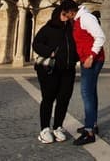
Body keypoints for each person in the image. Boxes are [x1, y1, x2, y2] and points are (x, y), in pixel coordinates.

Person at [32, 8, 79, 144]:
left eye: (68, 15)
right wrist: (50, 52)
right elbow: (36, 44)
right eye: (63, 15)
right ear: (57, 15)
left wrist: (74, 58)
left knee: (64, 98)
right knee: (48, 98)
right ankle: (44, 129)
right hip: (50, 70)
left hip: (68, 69)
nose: (66, 17)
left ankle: (58, 126)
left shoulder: (72, 29)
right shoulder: (48, 28)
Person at [64, 0, 105, 146]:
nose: (65, 16)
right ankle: (92, 124)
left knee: (86, 93)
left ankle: (89, 132)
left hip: (92, 60)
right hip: (87, 59)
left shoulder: (87, 18)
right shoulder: (78, 19)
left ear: (70, 11)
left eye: (65, 13)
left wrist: (92, 56)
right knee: (91, 92)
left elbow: (100, 37)